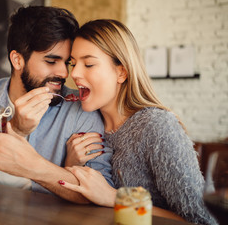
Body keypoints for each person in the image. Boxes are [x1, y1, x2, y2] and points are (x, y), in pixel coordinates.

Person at [0, 6, 108, 203]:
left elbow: (99, 194)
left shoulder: (79, 107)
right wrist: (14, 130)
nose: (64, 74)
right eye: (51, 61)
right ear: (17, 60)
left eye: (67, 63)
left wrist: (34, 167)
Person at [56, 19, 217, 225]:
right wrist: (70, 164)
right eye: (73, 63)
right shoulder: (85, 122)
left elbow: (202, 220)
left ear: (121, 72)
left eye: (88, 64)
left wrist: (114, 198)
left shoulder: (157, 127)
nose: (75, 73)